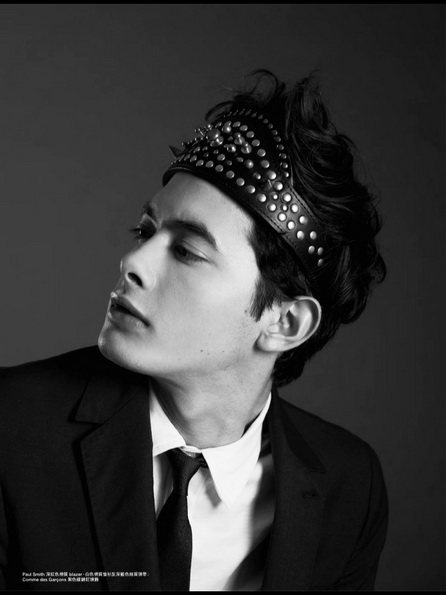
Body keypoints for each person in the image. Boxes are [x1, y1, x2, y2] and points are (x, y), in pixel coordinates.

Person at [0, 70, 388, 591]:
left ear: (285, 322)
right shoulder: (12, 429)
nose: (132, 262)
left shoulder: (349, 485)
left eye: (187, 251)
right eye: (145, 231)